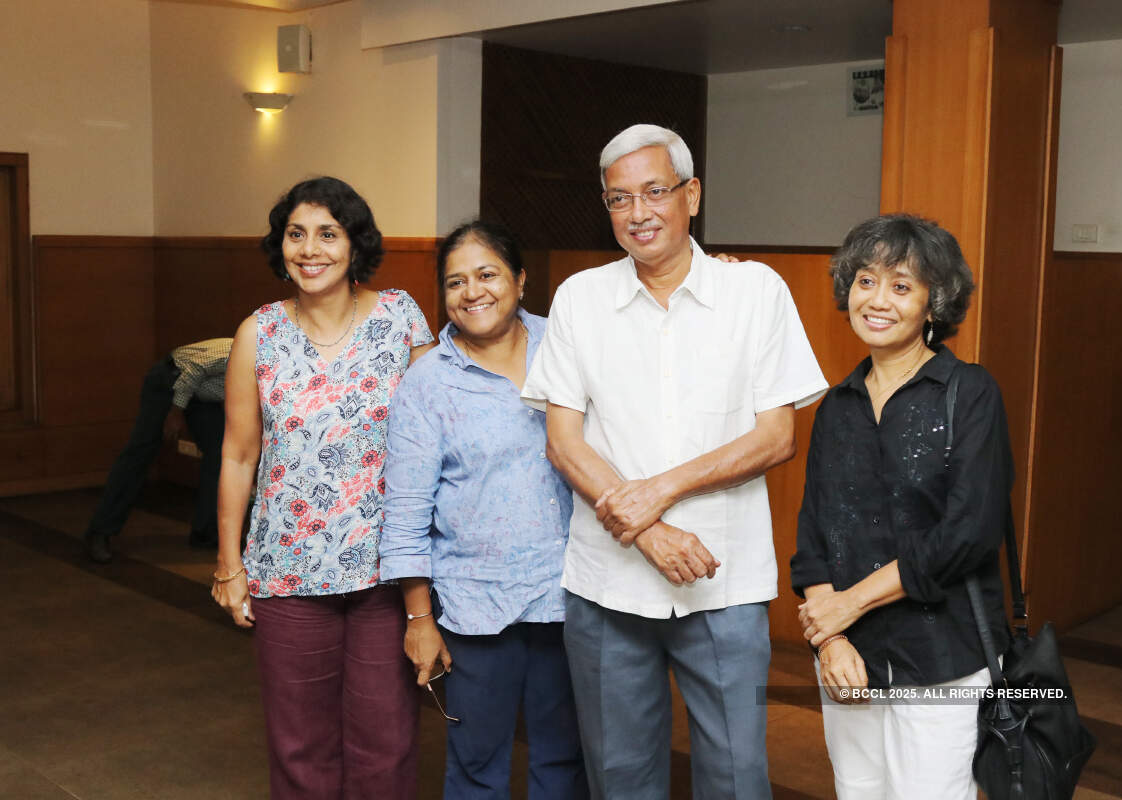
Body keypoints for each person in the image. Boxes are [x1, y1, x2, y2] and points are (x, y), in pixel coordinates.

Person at [522, 123, 828, 799]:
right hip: (606, 583)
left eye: (655, 191)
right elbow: (563, 441)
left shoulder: (756, 293)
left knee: (738, 776)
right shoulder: (580, 297)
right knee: (620, 778)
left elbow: (777, 437)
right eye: (619, 199)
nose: (638, 213)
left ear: (692, 194)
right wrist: (650, 531)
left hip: (722, 582)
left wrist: (657, 492)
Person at [211, 176, 434, 799]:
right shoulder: (258, 333)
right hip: (286, 570)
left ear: (354, 244)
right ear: (280, 246)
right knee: (299, 747)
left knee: (385, 744)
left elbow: (434, 440)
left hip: (385, 572)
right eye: (296, 234)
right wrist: (230, 564)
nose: (310, 249)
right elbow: (237, 454)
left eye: (328, 234)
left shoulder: (400, 319)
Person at [790, 213, 1013, 800]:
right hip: (850, 655)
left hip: (941, 654)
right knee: (858, 791)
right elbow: (812, 534)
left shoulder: (970, 393)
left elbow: (968, 533)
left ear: (932, 305)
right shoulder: (837, 404)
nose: (877, 300)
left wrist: (847, 607)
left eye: (901, 285)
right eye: (865, 280)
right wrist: (831, 639)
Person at [380, 219, 588, 799]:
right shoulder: (428, 383)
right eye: (455, 282)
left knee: (565, 764)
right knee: (476, 768)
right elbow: (404, 514)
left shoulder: (569, 345)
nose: (472, 292)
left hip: (572, 597)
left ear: (520, 280)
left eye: (487, 274)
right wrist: (419, 619)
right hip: (476, 609)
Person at [84, 338, 232, 563]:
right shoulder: (244, 349)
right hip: (170, 380)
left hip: (202, 396)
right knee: (140, 454)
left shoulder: (284, 369)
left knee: (222, 453)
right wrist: (175, 412)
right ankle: (100, 532)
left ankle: (205, 533)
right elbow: (195, 369)